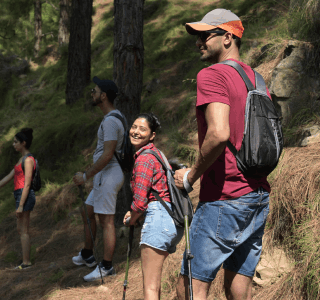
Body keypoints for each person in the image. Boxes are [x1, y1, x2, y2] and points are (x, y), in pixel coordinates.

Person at [174, 9, 271, 300]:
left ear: (228, 36)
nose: (198, 42)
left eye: (205, 35)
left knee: (189, 289)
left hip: (223, 198)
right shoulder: (257, 78)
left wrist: (190, 176)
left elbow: (218, 133)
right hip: (257, 196)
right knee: (238, 286)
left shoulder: (212, 75)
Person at [123, 113, 184, 300]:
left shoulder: (144, 159)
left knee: (149, 288)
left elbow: (140, 203)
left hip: (157, 219)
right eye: (134, 127)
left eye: (142, 129)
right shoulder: (157, 155)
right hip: (171, 219)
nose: (136, 132)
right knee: (154, 286)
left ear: (152, 135)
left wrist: (131, 219)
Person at [72, 76, 125, 282]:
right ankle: (87, 255)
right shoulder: (113, 117)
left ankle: (107, 266)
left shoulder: (111, 120)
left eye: (94, 91)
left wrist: (86, 175)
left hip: (109, 174)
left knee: (107, 221)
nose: (91, 94)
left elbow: (108, 154)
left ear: (103, 96)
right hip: (105, 175)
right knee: (87, 211)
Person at [0, 128, 37, 270]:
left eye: (16, 142)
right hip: (20, 195)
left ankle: (26, 263)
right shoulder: (21, 159)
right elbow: (9, 177)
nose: (13, 144)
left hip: (24, 195)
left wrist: (20, 205)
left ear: (24, 143)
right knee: (21, 229)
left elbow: (27, 185)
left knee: (24, 229)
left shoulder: (28, 160)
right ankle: (25, 261)